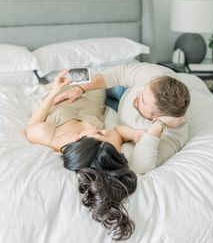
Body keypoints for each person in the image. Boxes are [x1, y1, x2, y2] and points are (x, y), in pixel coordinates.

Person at [25, 70, 142, 241]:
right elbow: (118, 131)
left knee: (84, 74)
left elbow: (32, 124)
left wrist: (55, 91)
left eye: (100, 133)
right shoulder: (102, 143)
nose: (103, 131)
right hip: (91, 92)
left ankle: (50, 85)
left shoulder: (50, 138)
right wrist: (134, 134)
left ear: (79, 138)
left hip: (70, 94)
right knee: (93, 76)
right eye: (101, 133)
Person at [53, 62, 191, 174]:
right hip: (123, 92)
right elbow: (118, 73)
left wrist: (158, 126)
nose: (138, 93)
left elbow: (139, 166)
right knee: (87, 85)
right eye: (143, 89)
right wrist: (80, 89)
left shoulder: (172, 136)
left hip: (116, 112)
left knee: (92, 105)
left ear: (157, 117)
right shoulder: (158, 77)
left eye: (142, 99)